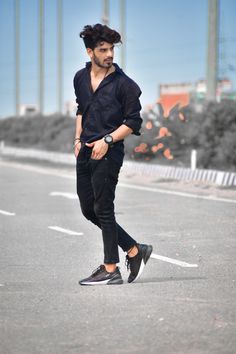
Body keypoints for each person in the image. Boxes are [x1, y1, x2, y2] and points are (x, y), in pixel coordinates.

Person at [73, 24, 153, 286]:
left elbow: (133, 122)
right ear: (90, 52)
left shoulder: (125, 85)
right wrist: (77, 138)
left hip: (109, 152)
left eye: (111, 49)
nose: (109, 54)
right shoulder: (80, 78)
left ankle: (111, 269)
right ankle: (133, 250)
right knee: (88, 209)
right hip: (84, 150)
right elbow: (81, 109)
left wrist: (107, 140)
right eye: (103, 49)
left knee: (104, 209)